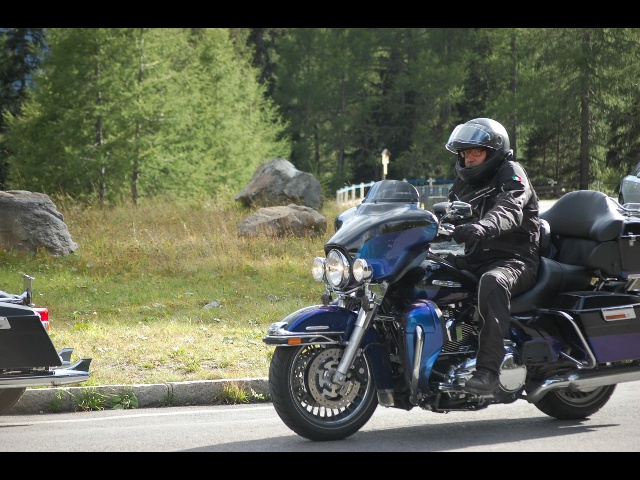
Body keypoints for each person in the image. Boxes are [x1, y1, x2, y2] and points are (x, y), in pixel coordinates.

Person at [444, 117, 540, 394]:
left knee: (492, 282)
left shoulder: (511, 172)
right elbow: (447, 217)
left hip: (515, 260)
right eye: (465, 153)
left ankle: (488, 371)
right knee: (427, 271)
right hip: (475, 258)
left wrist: (483, 226)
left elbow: (510, 207)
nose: (469, 158)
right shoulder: (462, 185)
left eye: (476, 151)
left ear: (493, 151)